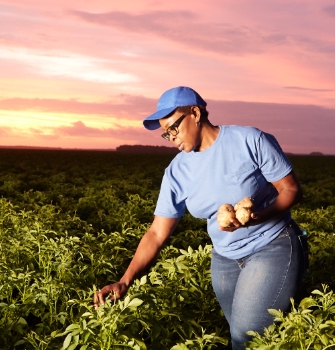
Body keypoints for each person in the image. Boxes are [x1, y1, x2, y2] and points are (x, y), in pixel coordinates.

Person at [94, 86, 308, 349]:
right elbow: (156, 233)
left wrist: (258, 216)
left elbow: (291, 190)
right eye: (165, 133)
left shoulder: (249, 139)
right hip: (225, 259)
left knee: (246, 337)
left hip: (272, 245)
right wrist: (125, 280)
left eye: (173, 127)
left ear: (195, 113)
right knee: (243, 338)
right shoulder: (176, 171)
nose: (170, 136)